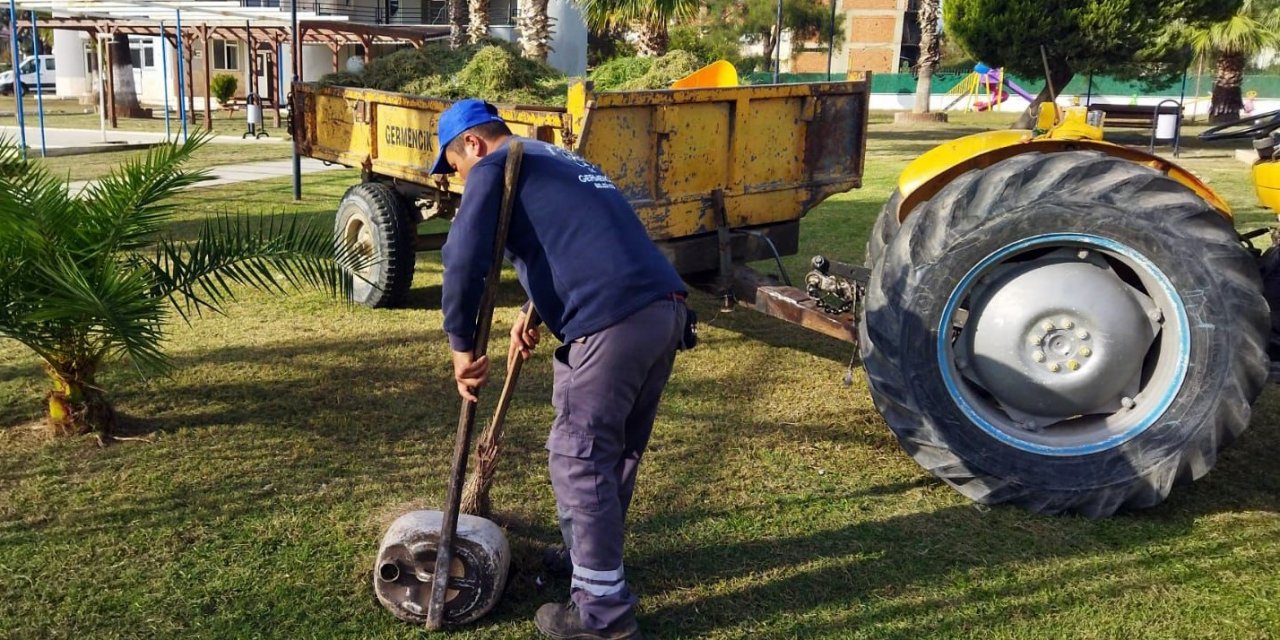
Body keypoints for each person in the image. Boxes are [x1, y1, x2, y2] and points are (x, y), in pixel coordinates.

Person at [433, 98, 688, 640]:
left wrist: (461, 345)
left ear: (473, 145)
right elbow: (577, 239)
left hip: (611, 321)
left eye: (454, 165)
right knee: (613, 454)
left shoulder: (495, 166)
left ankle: (601, 616)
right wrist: (532, 310)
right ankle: (586, 561)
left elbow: (462, 258)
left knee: (580, 457)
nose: (457, 177)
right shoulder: (558, 158)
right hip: (661, 310)